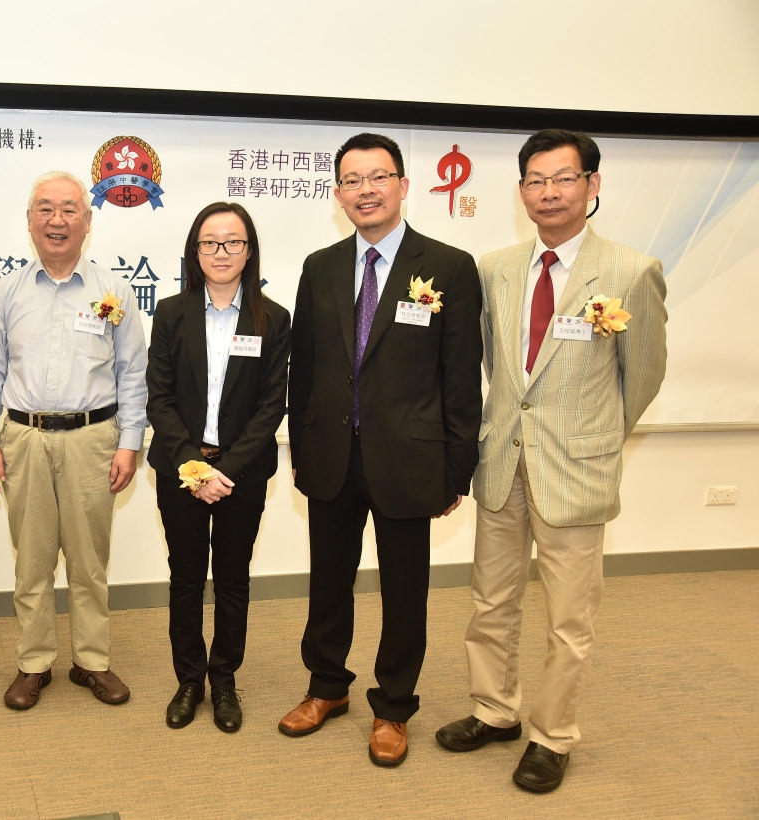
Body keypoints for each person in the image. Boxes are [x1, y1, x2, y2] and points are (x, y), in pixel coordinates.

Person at [435, 129, 668, 793]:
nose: (549, 192)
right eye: (535, 180)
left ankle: (552, 736)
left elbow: (643, 376)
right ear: (520, 191)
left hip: (576, 470)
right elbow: (488, 363)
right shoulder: (496, 269)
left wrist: (593, 435)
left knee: (569, 619)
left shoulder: (629, 271)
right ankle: (494, 710)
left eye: (563, 178)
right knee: (491, 601)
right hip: (502, 461)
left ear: (592, 185)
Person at [281, 133, 483, 766]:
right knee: (328, 583)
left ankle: (394, 705)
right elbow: (304, 370)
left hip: (409, 460)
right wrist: (302, 448)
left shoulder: (448, 266)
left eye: (378, 177)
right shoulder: (320, 266)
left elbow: (460, 376)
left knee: (404, 591)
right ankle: (326, 686)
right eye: (352, 180)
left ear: (402, 185)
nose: (365, 190)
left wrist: (457, 469)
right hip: (331, 456)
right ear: (338, 193)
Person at [0, 170, 147, 710]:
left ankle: (92, 659)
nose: (57, 220)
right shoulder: (6, 293)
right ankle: (34, 663)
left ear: (88, 222)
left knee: (89, 562)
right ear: (29, 221)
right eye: (45, 208)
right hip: (23, 439)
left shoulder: (113, 292)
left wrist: (129, 442)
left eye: (69, 209)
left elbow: (132, 373)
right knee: (33, 561)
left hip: (94, 439)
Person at [146, 202, 291, 733]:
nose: (221, 252)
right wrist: (196, 469)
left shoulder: (273, 318)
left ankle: (224, 679)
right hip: (180, 470)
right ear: (195, 251)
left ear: (249, 251)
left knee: (232, 579)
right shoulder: (170, 313)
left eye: (233, 242)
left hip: (242, 475)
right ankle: (189, 680)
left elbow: (271, 405)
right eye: (210, 242)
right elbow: (159, 398)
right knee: (185, 579)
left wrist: (225, 470)